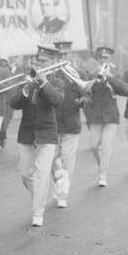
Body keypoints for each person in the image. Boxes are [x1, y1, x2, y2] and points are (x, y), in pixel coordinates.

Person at [10, 45, 65, 227]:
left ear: (52, 63)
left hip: (47, 134)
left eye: (44, 62)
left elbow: (56, 100)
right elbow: (14, 104)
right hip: (27, 133)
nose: (40, 64)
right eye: (38, 61)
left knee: (42, 174)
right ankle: (40, 197)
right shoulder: (28, 80)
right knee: (26, 175)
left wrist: (43, 82)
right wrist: (26, 90)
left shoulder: (57, 82)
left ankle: (38, 212)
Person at [49, 40, 87, 207]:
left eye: (65, 54)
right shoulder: (50, 74)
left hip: (72, 123)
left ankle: (62, 195)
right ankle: (60, 187)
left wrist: (83, 100)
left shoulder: (79, 72)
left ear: (71, 54)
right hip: (53, 123)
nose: (62, 57)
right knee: (53, 160)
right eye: (59, 54)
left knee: (67, 159)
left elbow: (88, 94)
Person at [85, 46, 128, 187]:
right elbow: (85, 91)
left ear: (110, 59)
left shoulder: (115, 73)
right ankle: (101, 167)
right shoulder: (92, 73)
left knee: (106, 146)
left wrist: (111, 78)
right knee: (93, 146)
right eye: (102, 58)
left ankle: (103, 174)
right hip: (95, 115)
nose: (104, 60)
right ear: (98, 59)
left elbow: (125, 91)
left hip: (110, 116)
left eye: (107, 58)